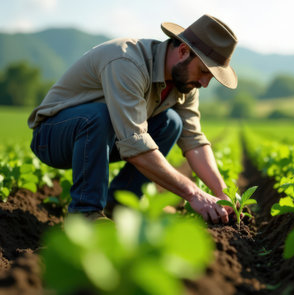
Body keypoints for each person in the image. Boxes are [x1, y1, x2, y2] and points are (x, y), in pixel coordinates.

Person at [28, 14, 238, 223]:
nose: (205, 83)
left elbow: (194, 140)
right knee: (98, 116)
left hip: (104, 138)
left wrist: (222, 193)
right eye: (203, 71)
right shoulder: (127, 61)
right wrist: (194, 194)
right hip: (53, 136)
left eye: (210, 77)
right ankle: (85, 214)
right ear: (183, 51)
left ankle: (119, 205)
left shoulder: (186, 83)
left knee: (171, 123)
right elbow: (135, 144)